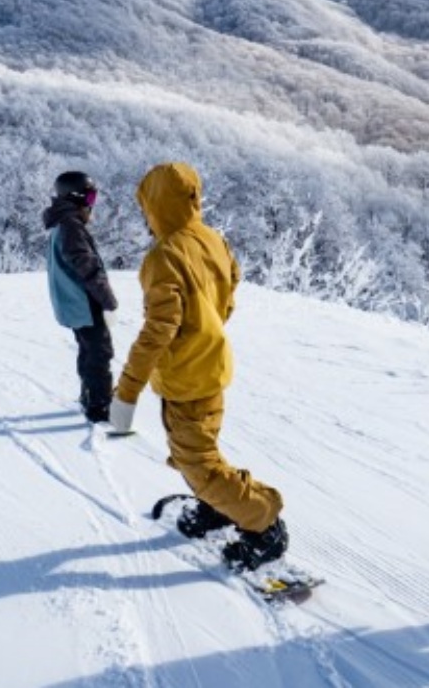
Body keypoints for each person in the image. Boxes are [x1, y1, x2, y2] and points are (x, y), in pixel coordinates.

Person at [107, 162, 288, 570]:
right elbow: (231, 285)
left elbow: (158, 332)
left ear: (155, 206)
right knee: (196, 449)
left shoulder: (163, 256)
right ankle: (219, 508)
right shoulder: (211, 239)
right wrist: (210, 327)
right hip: (209, 367)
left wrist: (126, 393)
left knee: (198, 463)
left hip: (187, 379)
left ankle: (263, 522)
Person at [43, 170, 118, 424]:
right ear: (75, 197)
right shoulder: (70, 226)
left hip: (73, 303)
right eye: (89, 198)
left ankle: (89, 395)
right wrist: (108, 300)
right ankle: (100, 408)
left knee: (88, 350)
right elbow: (86, 266)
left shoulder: (63, 223)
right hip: (83, 302)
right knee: (100, 352)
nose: (92, 204)